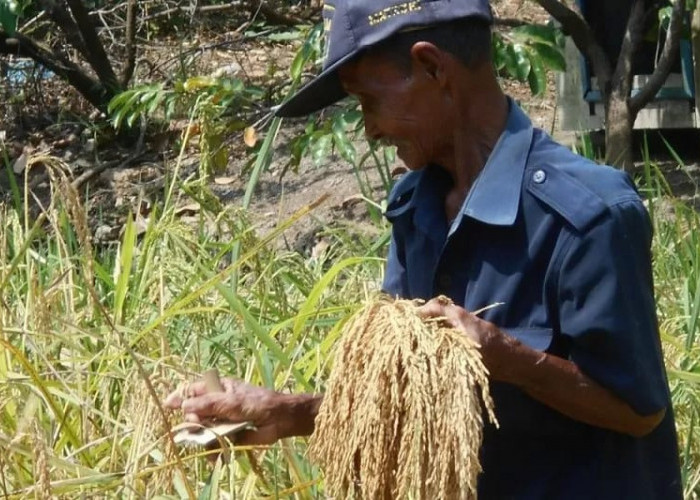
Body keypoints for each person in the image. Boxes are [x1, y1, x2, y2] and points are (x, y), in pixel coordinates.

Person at [164, 0, 683, 497]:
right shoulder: (416, 206)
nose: (368, 128)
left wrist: (507, 358)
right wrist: (281, 412)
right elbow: (405, 394)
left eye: (369, 100)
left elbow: (639, 411)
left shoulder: (588, 216)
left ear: (432, 67)